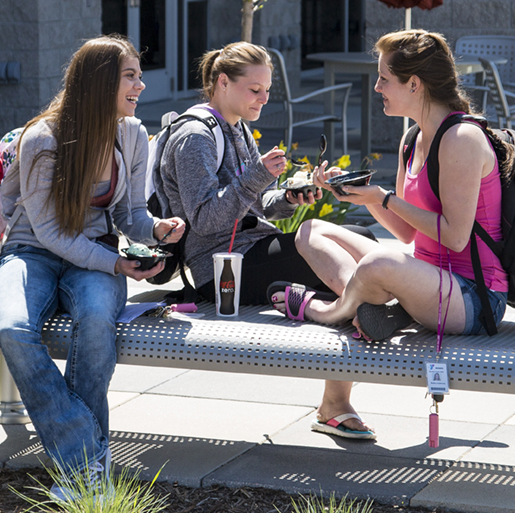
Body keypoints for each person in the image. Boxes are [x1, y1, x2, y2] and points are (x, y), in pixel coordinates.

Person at [0, 36, 185, 495]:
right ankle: (87, 457)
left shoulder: (132, 134)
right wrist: (117, 265)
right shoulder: (42, 137)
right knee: (15, 328)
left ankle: (82, 472)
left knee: (96, 321)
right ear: (99, 82)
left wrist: (156, 230)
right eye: (130, 75)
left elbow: (130, 215)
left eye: (139, 74)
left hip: (95, 252)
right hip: (30, 251)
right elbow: (50, 233)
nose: (141, 84)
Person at [153, 41, 378, 440]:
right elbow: (204, 221)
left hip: (250, 250)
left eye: (268, 89)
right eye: (254, 89)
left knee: (359, 238)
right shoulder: (195, 137)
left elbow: (255, 206)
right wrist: (256, 175)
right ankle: (337, 394)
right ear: (223, 82)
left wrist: (289, 198)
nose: (264, 98)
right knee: (349, 268)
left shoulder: (235, 127)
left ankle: (333, 323)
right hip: (221, 270)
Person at [287, 29, 511, 340]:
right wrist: (363, 197)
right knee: (311, 231)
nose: (377, 87)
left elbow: (456, 238)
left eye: (384, 79)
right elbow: (406, 233)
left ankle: (332, 311)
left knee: (380, 261)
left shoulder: (462, 139)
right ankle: (375, 307)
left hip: (473, 296)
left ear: (414, 84)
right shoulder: (412, 139)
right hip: (424, 282)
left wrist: (384, 198)